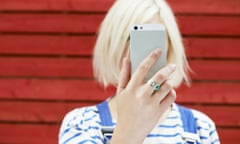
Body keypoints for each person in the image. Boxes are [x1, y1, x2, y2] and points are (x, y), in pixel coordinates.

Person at [59, 0, 220, 143]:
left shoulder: (201, 128)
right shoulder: (81, 124)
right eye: (133, 37)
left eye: (153, 39)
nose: (144, 54)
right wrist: (128, 132)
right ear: (112, 44)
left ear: (169, 47)